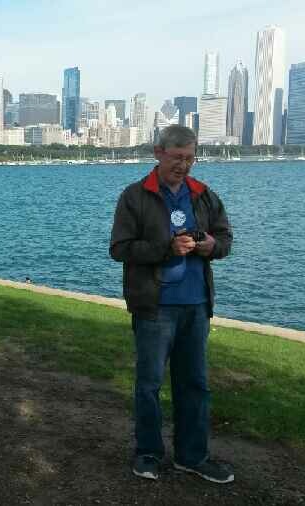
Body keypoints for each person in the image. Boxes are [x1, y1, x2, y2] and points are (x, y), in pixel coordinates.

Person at [109, 125, 234, 484]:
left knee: (194, 384)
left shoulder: (203, 195)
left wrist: (211, 245)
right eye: (177, 157)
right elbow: (120, 248)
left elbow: (225, 238)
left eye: (190, 158)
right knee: (149, 384)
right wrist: (167, 249)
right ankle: (148, 453)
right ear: (158, 153)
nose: (183, 165)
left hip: (196, 306)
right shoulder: (135, 196)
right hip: (155, 307)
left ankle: (192, 456)